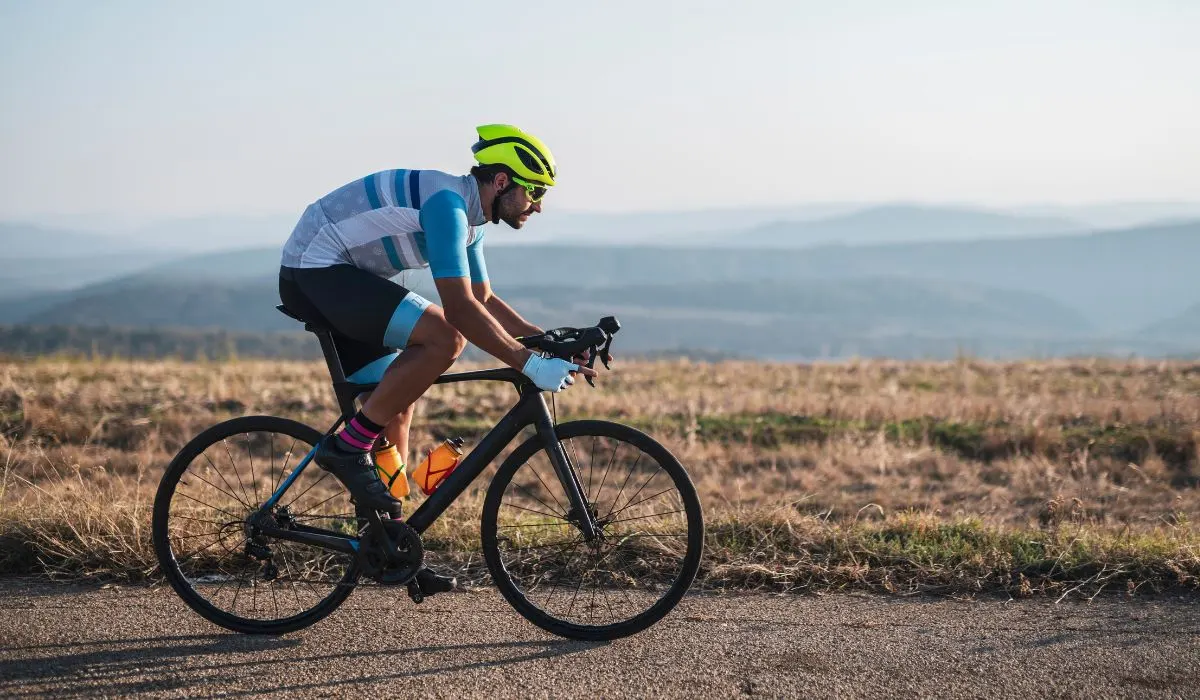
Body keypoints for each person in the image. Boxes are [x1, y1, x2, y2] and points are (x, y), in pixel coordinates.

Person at [278, 124, 595, 593]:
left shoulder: (470, 218)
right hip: (316, 270)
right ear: (503, 182)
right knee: (446, 339)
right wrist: (524, 362)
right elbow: (461, 311)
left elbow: (482, 298)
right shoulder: (448, 206)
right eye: (535, 191)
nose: (539, 205)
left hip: (346, 278)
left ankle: (390, 547)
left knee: (395, 407)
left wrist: (546, 340)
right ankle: (347, 447)